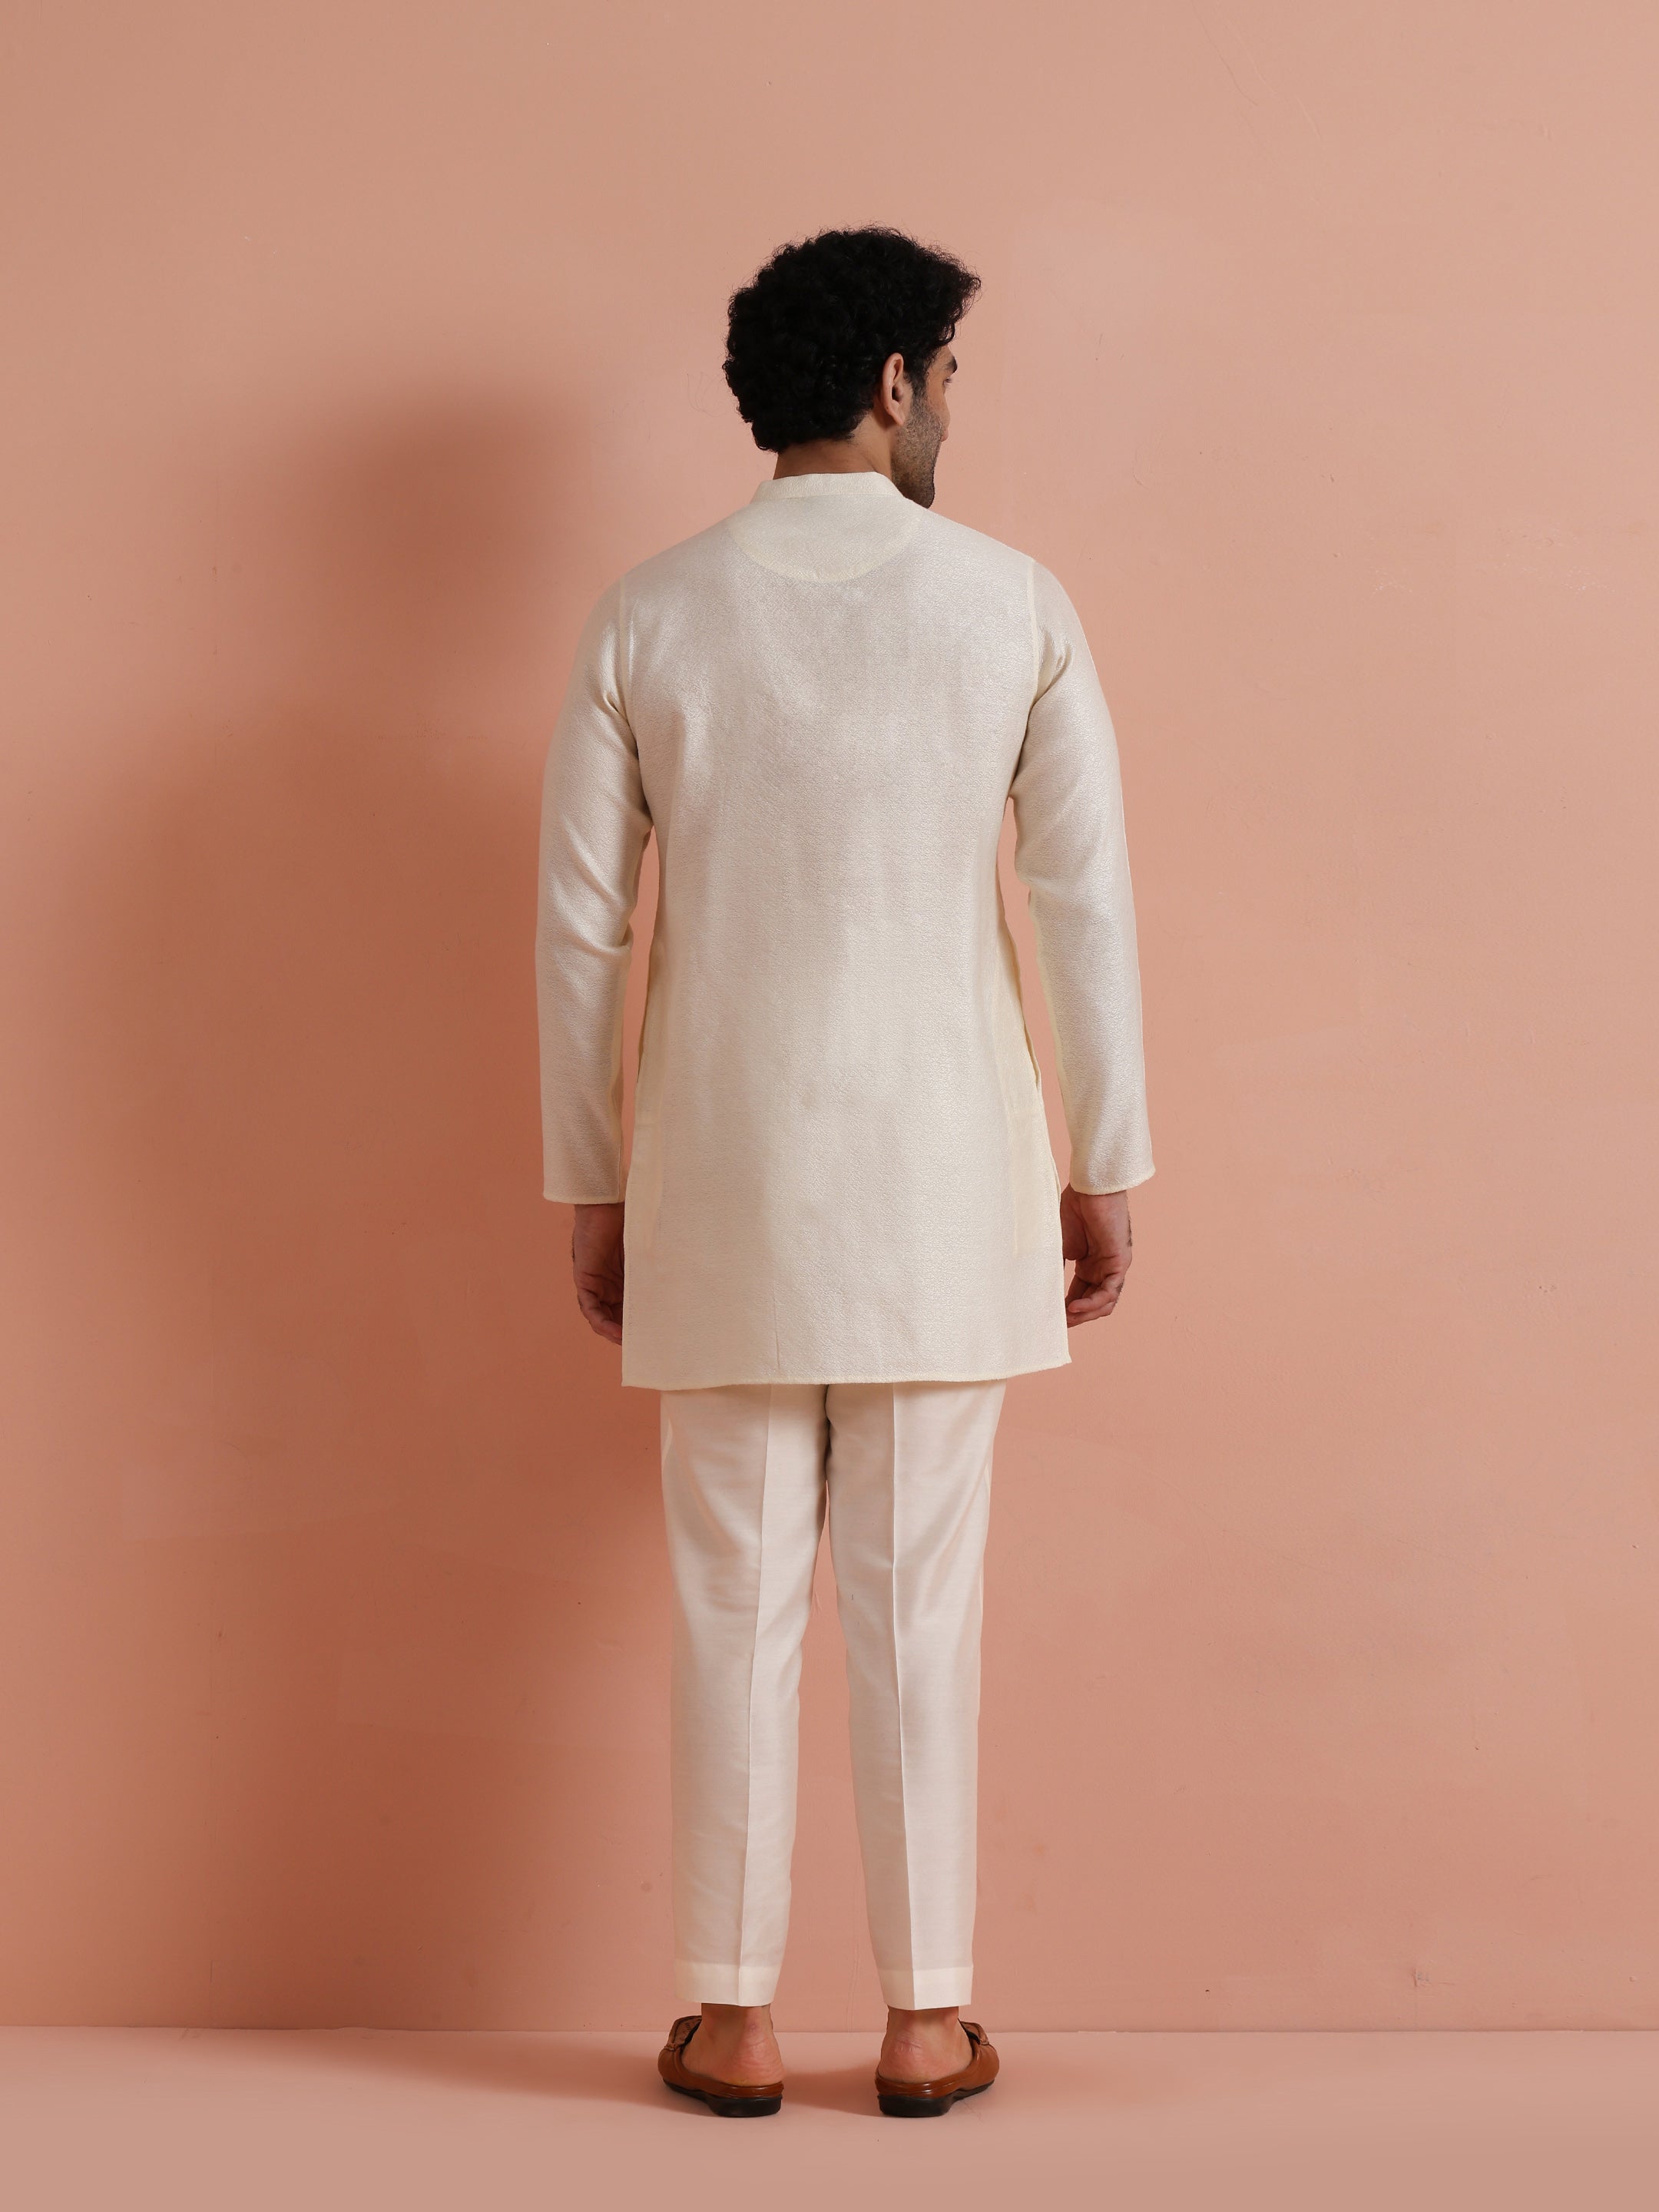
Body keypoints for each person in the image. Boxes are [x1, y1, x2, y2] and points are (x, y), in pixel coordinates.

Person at [535, 226, 1153, 2118]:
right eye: (947, 377)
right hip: (948, 1181)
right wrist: (1106, 1157)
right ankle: (923, 2021)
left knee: (730, 1602)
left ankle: (730, 2021)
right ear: (893, 381)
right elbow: (1081, 902)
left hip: (718, 1179)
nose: (949, 407)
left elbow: (582, 932)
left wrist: (593, 1184)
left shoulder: (647, 615)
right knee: (915, 1606)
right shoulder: (1013, 603)